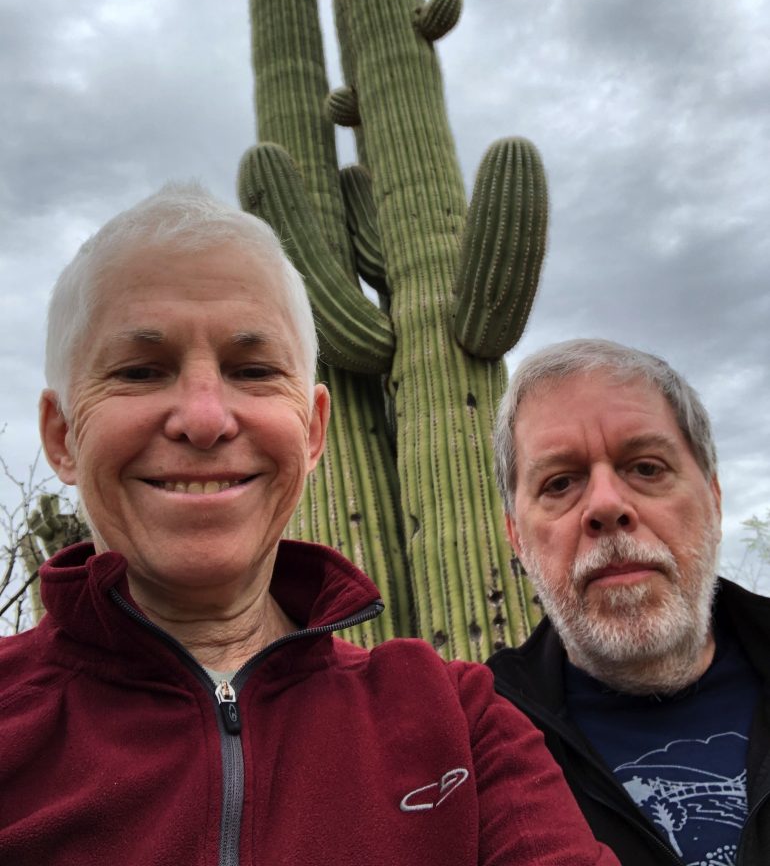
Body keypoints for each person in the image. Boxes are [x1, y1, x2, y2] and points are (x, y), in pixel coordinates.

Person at [0, 186, 617, 866]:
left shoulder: (460, 720)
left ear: (314, 431)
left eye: (254, 370)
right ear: (62, 437)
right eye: (142, 371)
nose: (205, 419)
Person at [487, 338, 770, 866]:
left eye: (646, 468)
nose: (606, 506)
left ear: (714, 498)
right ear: (517, 539)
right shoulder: (473, 748)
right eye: (561, 482)